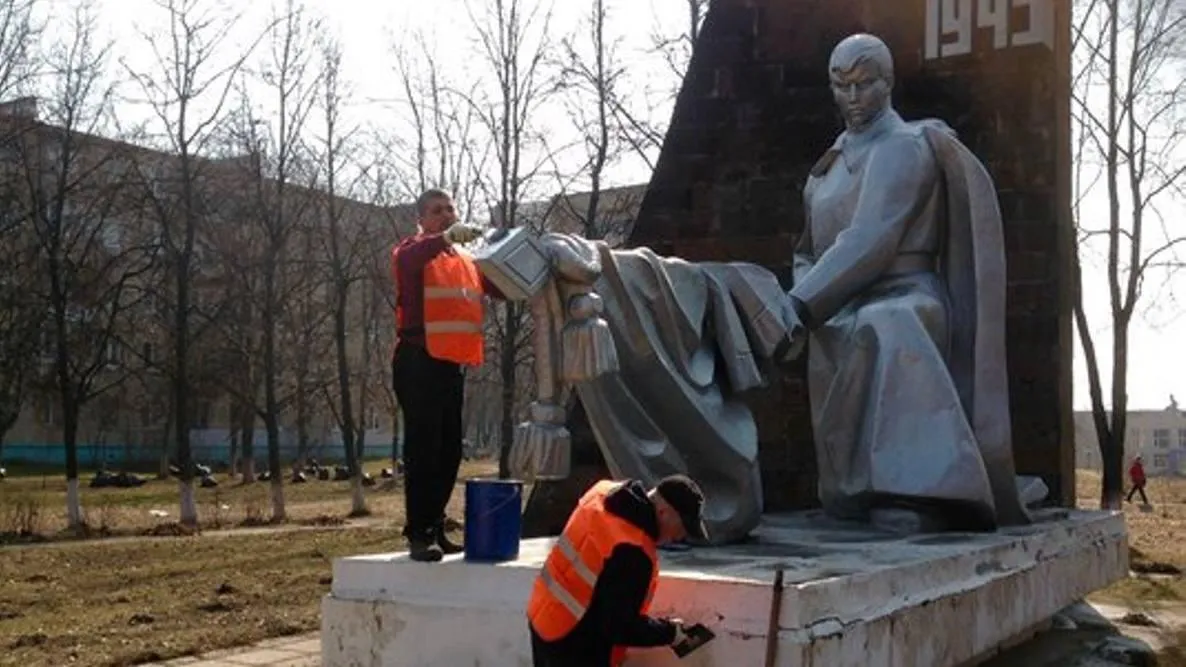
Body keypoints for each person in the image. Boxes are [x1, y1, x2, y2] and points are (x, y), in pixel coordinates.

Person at [782, 33, 1030, 534]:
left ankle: (923, 492)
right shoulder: (824, 170)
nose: (852, 98)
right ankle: (856, 489)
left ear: (888, 82)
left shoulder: (905, 145)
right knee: (846, 327)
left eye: (864, 84)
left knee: (886, 323)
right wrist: (804, 296)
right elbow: (806, 250)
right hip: (836, 303)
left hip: (906, 293)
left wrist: (799, 306)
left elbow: (871, 238)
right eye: (841, 85)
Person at [391, 188, 501, 562]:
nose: (446, 215)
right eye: (437, 211)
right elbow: (414, 256)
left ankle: (435, 525)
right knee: (423, 450)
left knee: (449, 451)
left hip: (449, 364)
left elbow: (499, 286)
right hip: (418, 359)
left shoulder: (465, 260)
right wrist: (447, 237)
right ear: (421, 220)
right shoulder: (413, 250)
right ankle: (418, 533)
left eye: (451, 209)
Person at [526, 474, 710, 667]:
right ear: (664, 512)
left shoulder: (603, 493)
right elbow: (619, 627)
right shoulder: (632, 550)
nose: (680, 537)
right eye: (682, 527)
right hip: (575, 642)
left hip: (545, 617)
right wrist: (670, 633)